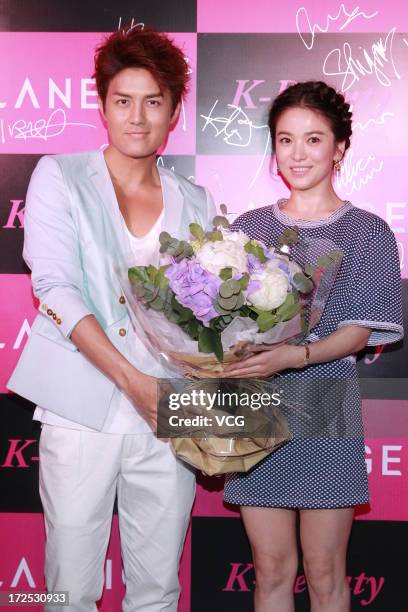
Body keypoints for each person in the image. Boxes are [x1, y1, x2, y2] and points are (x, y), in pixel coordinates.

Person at [8, 26, 215, 612]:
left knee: (157, 590)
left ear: (174, 111)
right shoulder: (60, 175)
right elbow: (55, 287)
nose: (137, 118)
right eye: (123, 101)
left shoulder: (195, 199)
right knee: (67, 590)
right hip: (81, 410)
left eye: (154, 101)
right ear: (102, 105)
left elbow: (205, 316)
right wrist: (134, 382)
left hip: (170, 415)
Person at [222, 81, 403, 612]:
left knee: (325, 573)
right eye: (285, 140)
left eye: (313, 139)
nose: (298, 154)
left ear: (340, 147)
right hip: (256, 407)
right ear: (273, 148)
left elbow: (360, 332)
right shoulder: (246, 229)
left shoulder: (368, 232)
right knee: (271, 570)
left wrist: (293, 355)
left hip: (326, 406)